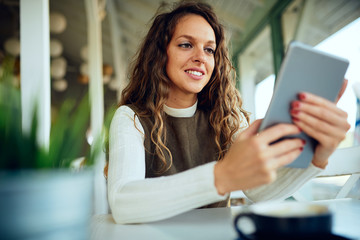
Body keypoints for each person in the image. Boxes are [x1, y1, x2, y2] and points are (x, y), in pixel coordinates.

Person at [106, 1, 350, 224]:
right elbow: (122, 204)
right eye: (186, 44)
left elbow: (258, 192)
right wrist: (220, 177)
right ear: (160, 54)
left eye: (210, 50)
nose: (200, 57)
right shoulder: (131, 118)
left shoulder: (225, 119)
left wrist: (316, 158)